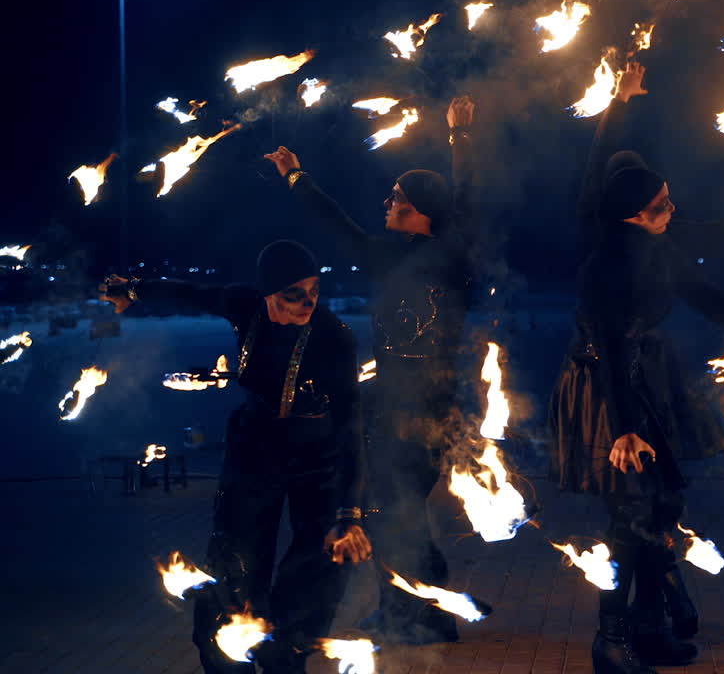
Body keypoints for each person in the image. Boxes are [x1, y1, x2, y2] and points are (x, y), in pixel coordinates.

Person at [550, 63, 724, 674]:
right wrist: (616, 102)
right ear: (631, 213)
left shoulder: (663, 244)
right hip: (607, 388)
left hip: (650, 377)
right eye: (661, 203)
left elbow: (713, 293)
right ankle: (612, 640)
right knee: (630, 516)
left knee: (662, 510)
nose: (672, 208)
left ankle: (651, 629)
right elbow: (604, 339)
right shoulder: (601, 259)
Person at [263, 96, 476, 644]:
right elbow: (339, 223)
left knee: (392, 510)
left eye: (398, 197)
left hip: (426, 412)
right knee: (389, 510)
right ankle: (409, 609)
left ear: (422, 211)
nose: (388, 201)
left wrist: (461, 140)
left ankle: (423, 611)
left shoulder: (450, 259)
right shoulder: (390, 255)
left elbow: (466, 205)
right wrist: (295, 178)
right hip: (391, 406)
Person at [100, 240, 369, 674]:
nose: (307, 303)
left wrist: (351, 512)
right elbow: (192, 292)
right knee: (232, 571)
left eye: (315, 290)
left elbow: (352, 422)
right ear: (267, 292)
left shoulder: (334, 337)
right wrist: (134, 288)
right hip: (255, 449)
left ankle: (286, 660)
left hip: (317, 459)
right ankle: (230, 660)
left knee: (309, 583)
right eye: (293, 293)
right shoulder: (246, 305)